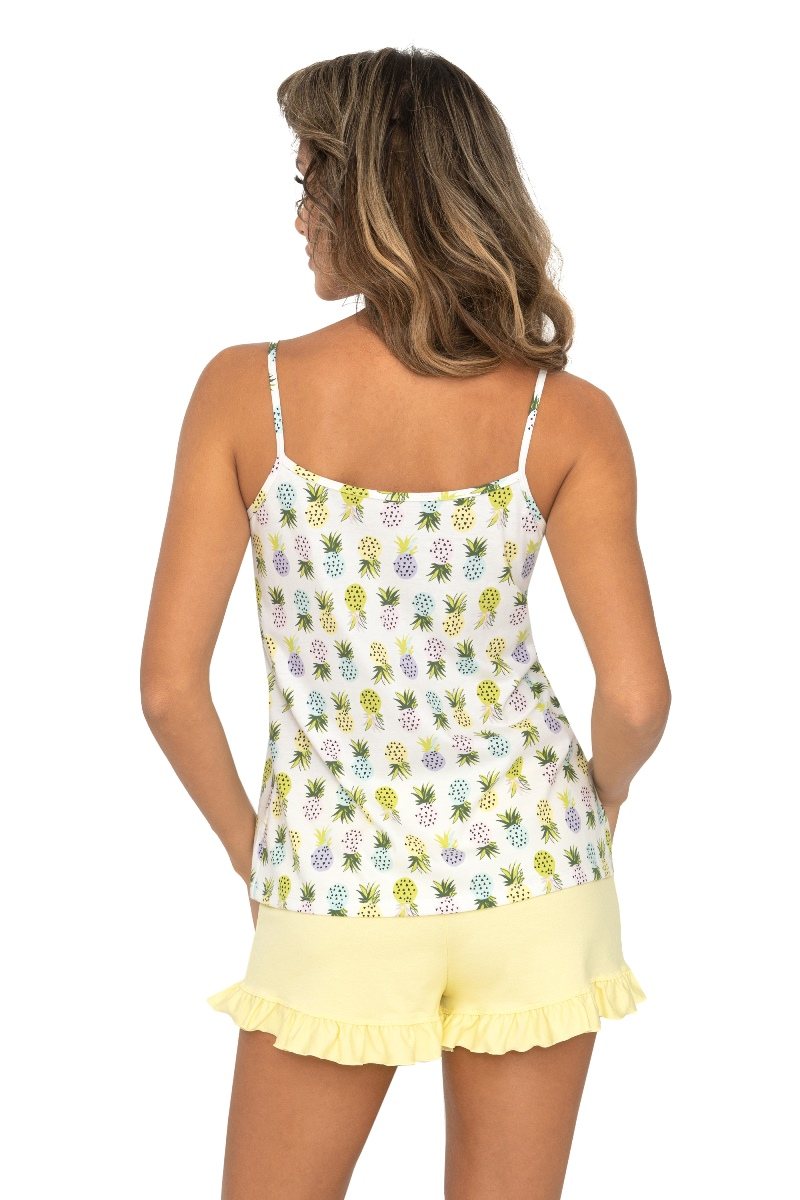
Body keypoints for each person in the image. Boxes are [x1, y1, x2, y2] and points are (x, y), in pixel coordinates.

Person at [141, 46, 671, 1200]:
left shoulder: (246, 393)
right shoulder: (564, 416)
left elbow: (170, 688)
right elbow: (635, 699)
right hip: (536, 869)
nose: (296, 217)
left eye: (306, 182)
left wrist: (252, 850)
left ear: (369, 196)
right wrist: (603, 797)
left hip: (335, 881)